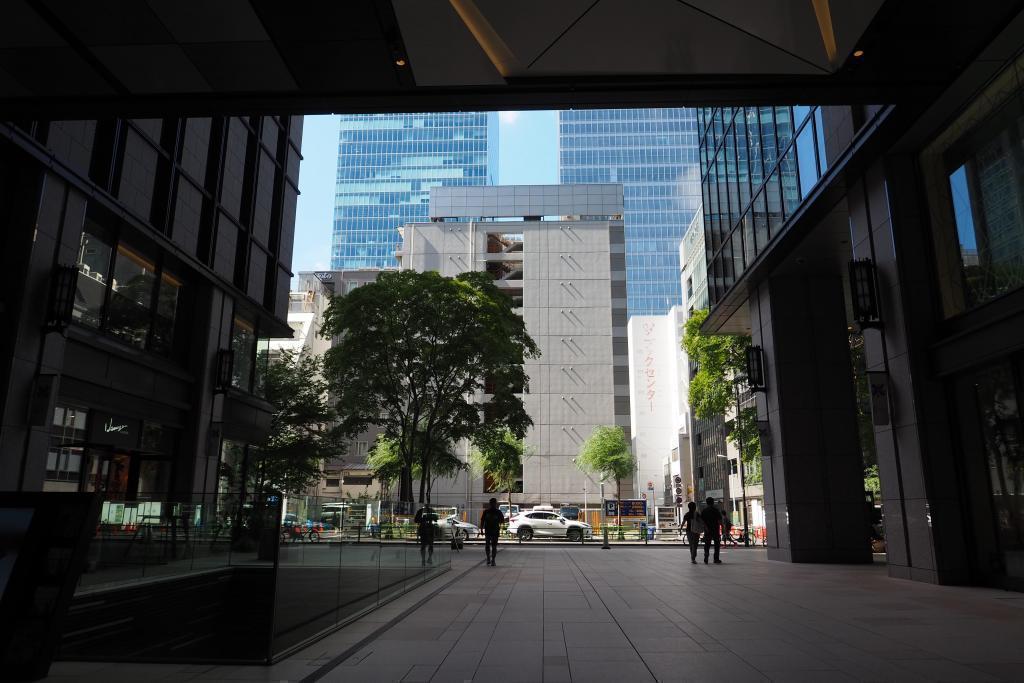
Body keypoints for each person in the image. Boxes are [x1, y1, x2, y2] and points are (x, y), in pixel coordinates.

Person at [479, 498, 505, 566]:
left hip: (494, 531)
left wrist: (482, 529)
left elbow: (502, 521)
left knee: (492, 546)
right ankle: (490, 559)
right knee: (490, 546)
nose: (493, 504)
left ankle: (492, 560)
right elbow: (482, 521)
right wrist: (481, 529)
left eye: (493, 503)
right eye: (492, 503)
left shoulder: (497, 512)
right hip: (490, 531)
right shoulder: (487, 512)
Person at [700, 497, 723, 564]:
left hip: (707, 530)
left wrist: (705, 527)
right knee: (717, 544)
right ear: (713, 502)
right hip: (715, 529)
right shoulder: (716, 510)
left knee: (707, 544)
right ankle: (716, 559)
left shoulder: (704, 511)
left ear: (707, 503)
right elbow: (719, 520)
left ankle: (706, 556)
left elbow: (702, 521)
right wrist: (723, 527)